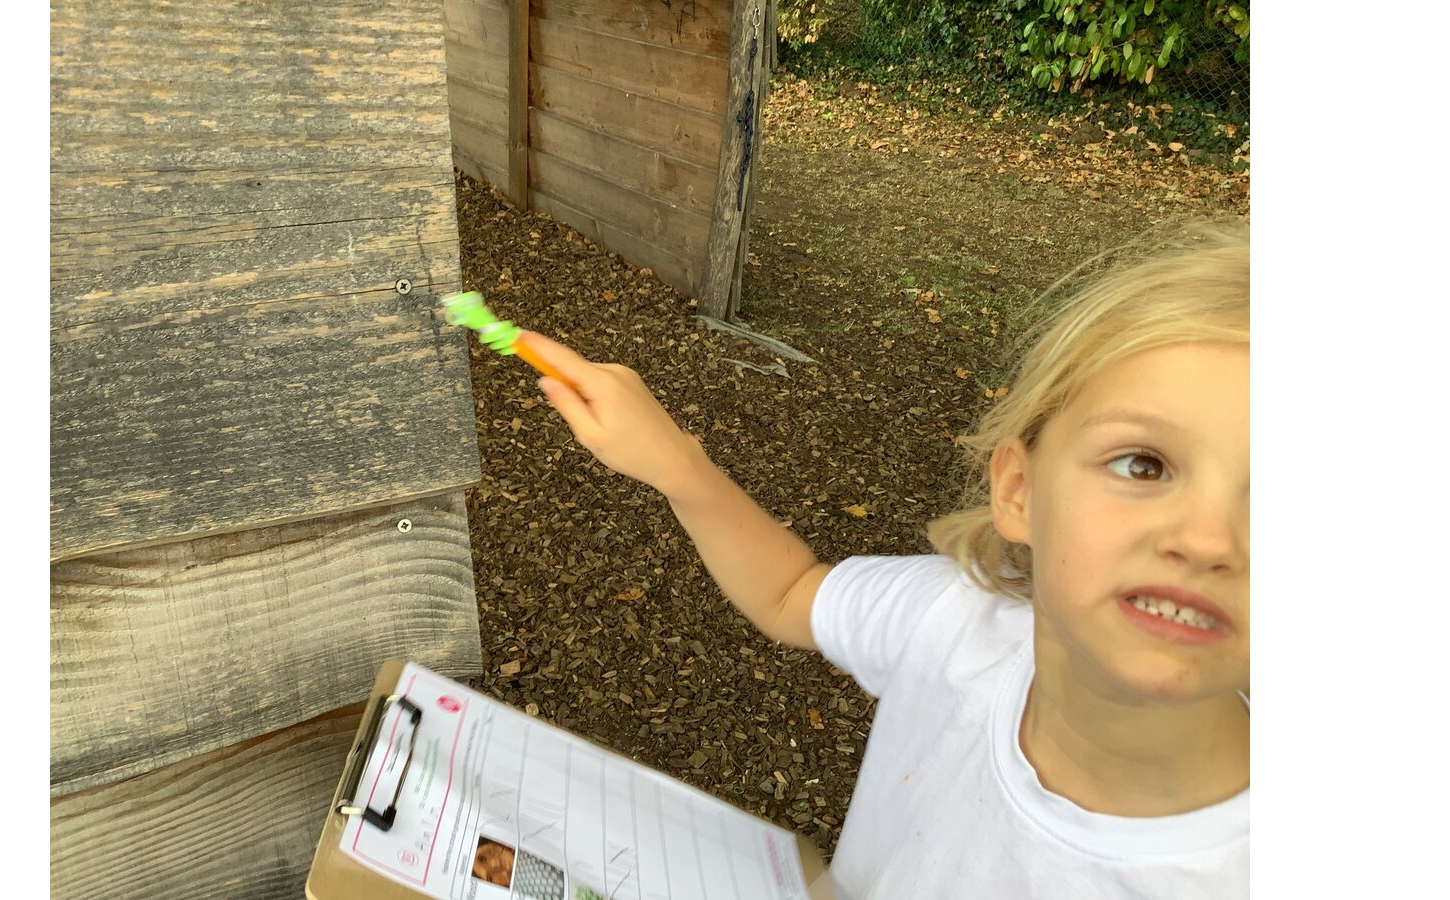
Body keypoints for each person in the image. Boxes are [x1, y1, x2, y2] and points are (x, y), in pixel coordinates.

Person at [519, 220, 1249, 898]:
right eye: (1143, 465)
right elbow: (791, 592)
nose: (1209, 540)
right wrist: (676, 466)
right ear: (1019, 491)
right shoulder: (954, 621)